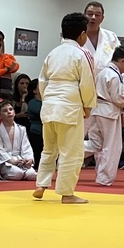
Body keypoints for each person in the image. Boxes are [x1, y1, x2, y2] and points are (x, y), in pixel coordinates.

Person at [34, 12, 97, 204]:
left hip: (49, 105)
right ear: (83, 34)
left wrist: (47, 100)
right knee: (72, 152)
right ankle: (67, 194)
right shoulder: (82, 53)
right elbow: (87, 82)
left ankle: (41, 184)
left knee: (49, 149)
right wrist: (88, 106)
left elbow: (42, 81)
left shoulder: (52, 53)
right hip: (70, 106)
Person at [88, 46, 124, 186]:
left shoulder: (102, 72)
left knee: (96, 144)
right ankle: (104, 178)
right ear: (122, 61)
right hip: (109, 112)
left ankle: (70, 153)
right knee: (112, 147)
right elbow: (119, 98)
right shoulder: (114, 75)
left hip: (96, 110)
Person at [0, 100, 36, 180]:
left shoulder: (22, 129)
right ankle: (19, 173)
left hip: (21, 160)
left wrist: (29, 159)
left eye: (11, 109)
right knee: (17, 174)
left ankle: (24, 172)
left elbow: (26, 146)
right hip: (6, 162)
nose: (9, 112)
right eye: (5, 111)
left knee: (32, 174)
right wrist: (11, 161)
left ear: (14, 112)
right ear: (0, 116)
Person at [83, 0, 119, 69]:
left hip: (107, 75)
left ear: (102, 18)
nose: (93, 17)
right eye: (90, 14)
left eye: (97, 15)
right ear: (84, 16)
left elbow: (120, 62)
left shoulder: (111, 37)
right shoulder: (74, 37)